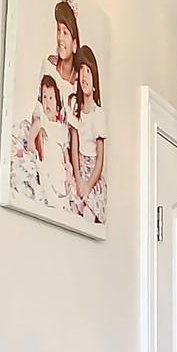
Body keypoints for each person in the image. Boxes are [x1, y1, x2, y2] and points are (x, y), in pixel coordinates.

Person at [69, 44, 106, 223]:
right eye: (81, 70)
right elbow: (74, 145)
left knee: (89, 215)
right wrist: (78, 178)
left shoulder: (98, 114)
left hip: (92, 172)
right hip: (80, 166)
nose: (84, 76)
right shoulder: (75, 107)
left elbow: (100, 159)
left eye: (88, 71)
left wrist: (88, 185)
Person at [29, 74, 73, 210]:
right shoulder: (43, 121)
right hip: (47, 162)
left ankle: (61, 200)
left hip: (59, 166)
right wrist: (32, 140)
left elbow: (66, 154)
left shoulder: (62, 129)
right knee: (48, 182)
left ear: (58, 109)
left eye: (50, 98)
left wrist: (69, 168)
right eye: (44, 97)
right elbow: (36, 122)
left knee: (62, 184)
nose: (47, 102)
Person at [41, 0, 81, 114]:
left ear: (74, 43)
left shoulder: (80, 82)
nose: (60, 38)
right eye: (58, 30)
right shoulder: (49, 67)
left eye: (65, 32)